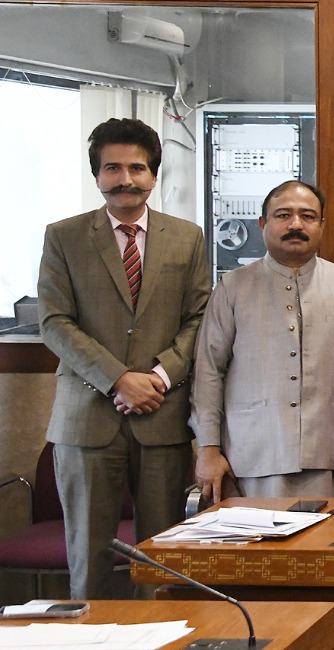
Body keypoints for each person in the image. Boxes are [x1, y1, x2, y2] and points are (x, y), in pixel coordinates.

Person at [37, 117, 210, 598]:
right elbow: (54, 322)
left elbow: (200, 317)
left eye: (137, 168)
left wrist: (158, 377)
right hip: (86, 419)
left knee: (161, 559)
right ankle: (88, 644)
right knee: (88, 555)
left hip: (162, 414)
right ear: (96, 175)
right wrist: (118, 379)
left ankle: (159, 643)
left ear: (153, 174)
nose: (125, 179)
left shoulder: (187, 237)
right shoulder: (65, 236)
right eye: (112, 168)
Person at [189, 181, 334, 502]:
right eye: (283, 215)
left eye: (308, 216)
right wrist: (208, 449)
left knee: (332, 535)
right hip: (252, 458)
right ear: (262, 224)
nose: (296, 224)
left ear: (322, 225)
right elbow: (208, 373)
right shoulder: (232, 288)